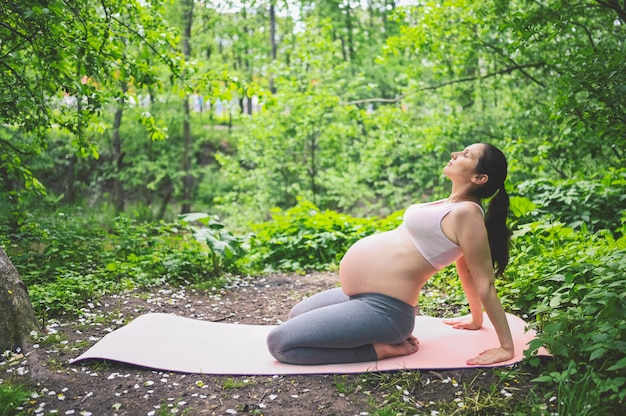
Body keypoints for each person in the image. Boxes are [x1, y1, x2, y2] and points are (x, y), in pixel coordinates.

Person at [266, 143, 515, 366]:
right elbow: (465, 267)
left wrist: (506, 347)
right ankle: (376, 334)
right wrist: (475, 318)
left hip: (385, 310)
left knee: (281, 344)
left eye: (466, 155)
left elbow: (484, 281)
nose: (455, 154)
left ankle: (379, 350)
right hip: (362, 297)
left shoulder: (468, 214)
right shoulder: (450, 204)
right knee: (297, 315)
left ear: (480, 177)